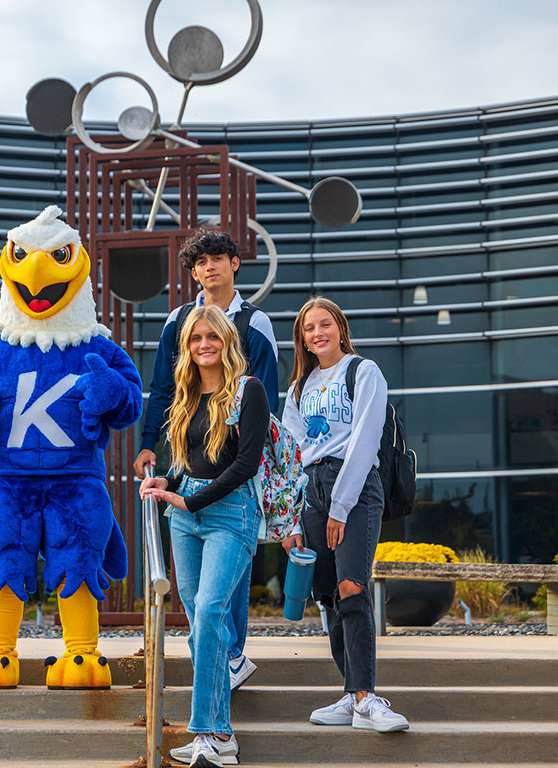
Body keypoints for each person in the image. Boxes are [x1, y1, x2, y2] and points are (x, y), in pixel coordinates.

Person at [134, 229, 279, 693]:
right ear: (193, 271)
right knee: (201, 590)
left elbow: (266, 398)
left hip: (238, 460)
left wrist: (248, 450)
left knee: (225, 577)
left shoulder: (255, 323)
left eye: (219, 258)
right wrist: (148, 442)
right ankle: (228, 660)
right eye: (201, 262)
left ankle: (231, 655)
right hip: (192, 456)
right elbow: (165, 388)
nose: (210, 267)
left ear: (235, 264)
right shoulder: (178, 320)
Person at [140, 306, 270, 768]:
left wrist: (191, 501)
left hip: (230, 514)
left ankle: (204, 732)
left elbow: (246, 463)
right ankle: (221, 736)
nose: (203, 344)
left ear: (227, 340)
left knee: (212, 610)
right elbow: (187, 463)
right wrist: (166, 486)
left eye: (211, 336)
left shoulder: (248, 391)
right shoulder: (187, 394)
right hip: (185, 515)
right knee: (200, 625)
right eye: (195, 338)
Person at [281, 296, 409, 733]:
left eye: (325, 324)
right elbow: (291, 457)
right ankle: (350, 694)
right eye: (309, 328)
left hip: (353, 486)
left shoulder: (363, 371)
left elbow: (365, 441)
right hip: (311, 490)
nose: (318, 334)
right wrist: (292, 520)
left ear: (340, 327)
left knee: (352, 586)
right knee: (329, 596)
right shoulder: (299, 388)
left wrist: (341, 505)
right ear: (302, 338)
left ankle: (368, 698)